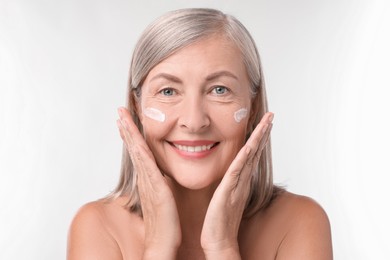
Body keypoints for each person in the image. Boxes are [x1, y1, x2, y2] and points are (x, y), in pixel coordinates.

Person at [67, 8, 332, 259]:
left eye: (219, 90)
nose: (194, 122)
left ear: (253, 108)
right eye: (168, 91)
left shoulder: (298, 222)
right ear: (137, 107)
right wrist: (159, 247)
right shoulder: (98, 227)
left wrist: (222, 248)